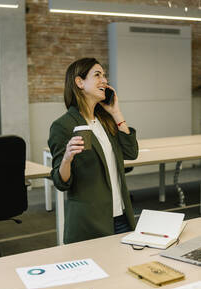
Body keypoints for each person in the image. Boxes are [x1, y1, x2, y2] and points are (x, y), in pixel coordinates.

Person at [48, 57, 138, 244]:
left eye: (104, 76)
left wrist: (116, 113)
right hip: (90, 223)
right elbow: (61, 182)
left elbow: (131, 152)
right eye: (97, 75)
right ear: (79, 82)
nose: (104, 81)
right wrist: (67, 158)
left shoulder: (106, 120)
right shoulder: (63, 126)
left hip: (122, 216)